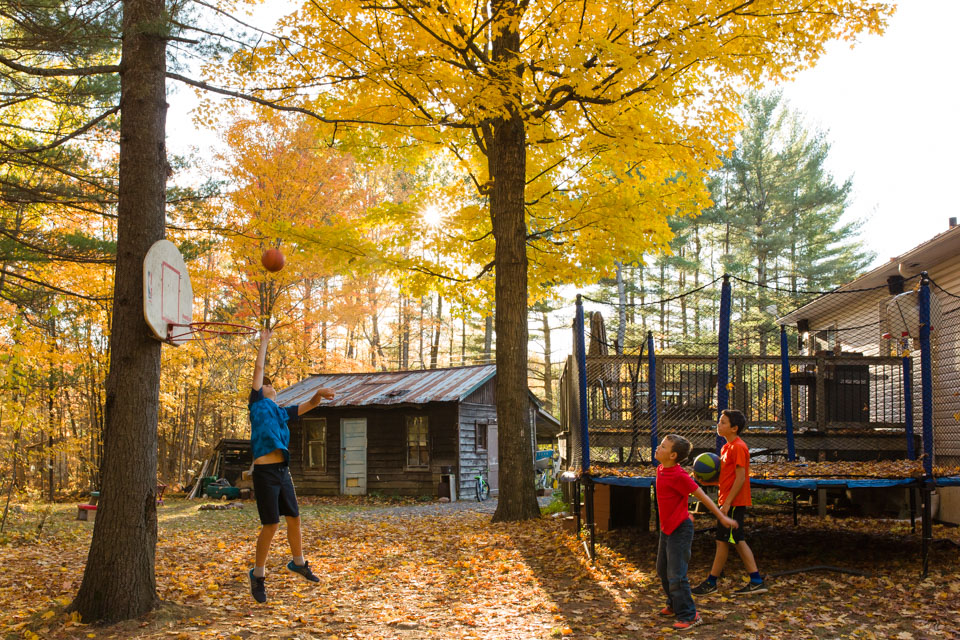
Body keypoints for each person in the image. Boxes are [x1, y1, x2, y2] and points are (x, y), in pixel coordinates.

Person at [248, 328, 335, 603]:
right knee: (271, 525)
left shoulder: (280, 412)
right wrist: (264, 341)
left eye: (271, 383)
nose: (269, 384)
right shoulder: (257, 405)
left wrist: (318, 395)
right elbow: (259, 367)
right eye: (266, 383)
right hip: (264, 473)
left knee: (294, 519)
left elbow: (308, 405)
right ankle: (258, 575)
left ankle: (298, 562)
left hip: (282, 472)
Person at [655, 434, 738, 632]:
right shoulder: (661, 469)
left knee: (677, 575)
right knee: (662, 570)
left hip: (680, 530)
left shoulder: (679, 476)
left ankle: (690, 615)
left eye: (663, 446)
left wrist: (722, 517)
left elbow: (703, 497)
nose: (658, 448)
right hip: (667, 529)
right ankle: (675, 604)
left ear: (673, 455)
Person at [691, 409, 767, 596]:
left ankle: (720, 582)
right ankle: (720, 581)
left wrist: (727, 504)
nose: (719, 424)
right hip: (728, 501)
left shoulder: (739, 447)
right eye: (719, 421)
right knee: (727, 541)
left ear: (734, 428)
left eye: (723, 422)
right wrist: (708, 482)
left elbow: (741, 479)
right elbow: (728, 478)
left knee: (732, 541)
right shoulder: (726, 448)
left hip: (734, 503)